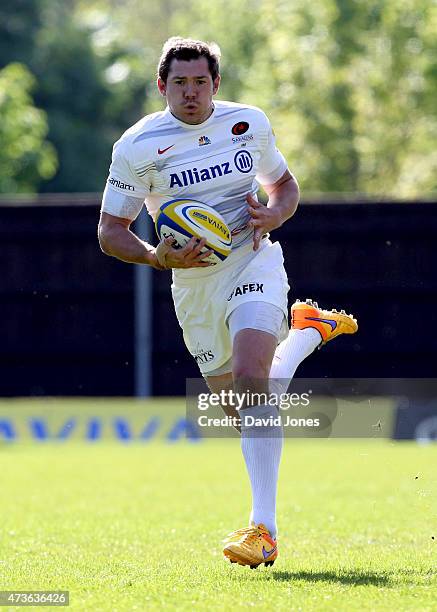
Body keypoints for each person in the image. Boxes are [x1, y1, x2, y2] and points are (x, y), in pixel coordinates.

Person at [98, 37, 358, 569]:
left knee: (250, 380)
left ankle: (264, 530)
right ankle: (308, 331)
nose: (190, 93)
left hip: (252, 260)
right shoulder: (138, 144)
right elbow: (109, 231)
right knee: (240, 409)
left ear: (216, 84)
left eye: (199, 82)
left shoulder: (248, 123)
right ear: (161, 86)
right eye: (179, 83)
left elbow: (283, 186)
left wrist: (274, 215)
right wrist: (155, 257)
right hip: (192, 286)